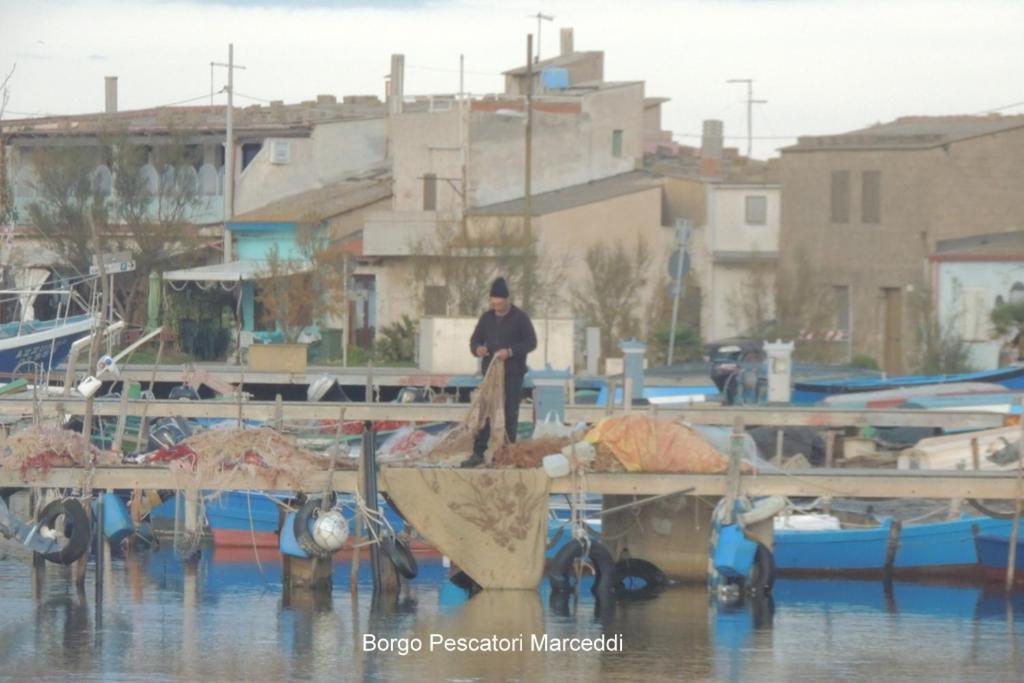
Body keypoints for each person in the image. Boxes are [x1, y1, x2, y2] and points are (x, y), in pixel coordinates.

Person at [461, 277, 537, 468]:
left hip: (513, 373)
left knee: (509, 413)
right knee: (485, 413)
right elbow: (474, 340)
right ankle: (478, 452)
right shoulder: (486, 318)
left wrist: (510, 352)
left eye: (499, 304)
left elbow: (531, 342)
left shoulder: (521, 318)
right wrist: (478, 349)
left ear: (507, 300)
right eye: (493, 303)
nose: (496, 307)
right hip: (490, 374)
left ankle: (506, 453)